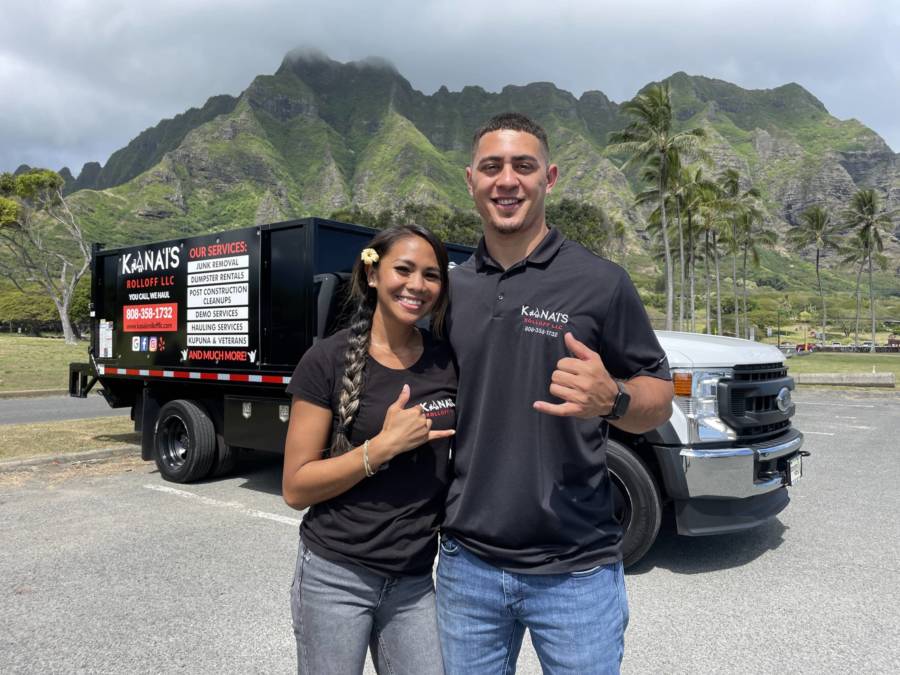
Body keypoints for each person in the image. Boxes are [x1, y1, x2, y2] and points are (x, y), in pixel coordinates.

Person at [436, 112, 674, 674]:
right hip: (465, 567)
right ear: (470, 179)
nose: (507, 180)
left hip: (577, 573)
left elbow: (658, 397)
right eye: (492, 167)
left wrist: (613, 397)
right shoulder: (450, 290)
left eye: (524, 166)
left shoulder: (600, 282)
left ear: (551, 177)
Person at [282, 224, 456, 675]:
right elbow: (296, 487)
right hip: (335, 576)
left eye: (432, 275)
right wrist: (379, 449)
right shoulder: (326, 361)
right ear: (373, 275)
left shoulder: (447, 360)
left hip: (415, 580)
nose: (417, 285)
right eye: (404, 269)